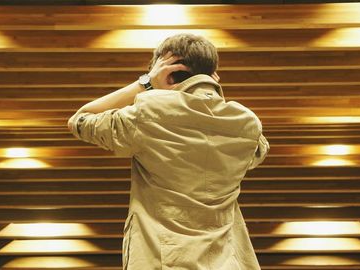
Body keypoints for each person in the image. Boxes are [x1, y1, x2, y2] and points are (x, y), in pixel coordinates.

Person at [67, 33, 269, 270]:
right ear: (213, 74)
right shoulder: (246, 122)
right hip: (229, 262)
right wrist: (209, 89)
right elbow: (257, 149)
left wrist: (145, 84)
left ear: (167, 72)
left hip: (161, 261)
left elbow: (80, 120)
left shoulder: (147, 113)